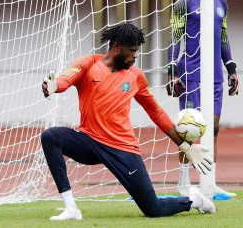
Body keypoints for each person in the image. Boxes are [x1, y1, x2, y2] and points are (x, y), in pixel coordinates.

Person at [41, 23, 215, 221]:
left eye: (136, 52)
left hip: (122, 149)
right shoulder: (88, 63)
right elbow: (66, 79)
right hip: (89, 141)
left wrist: (185, 146)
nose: (135, 56)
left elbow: (156, 112)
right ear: (116, 47)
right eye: (132, 51)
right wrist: (54, 86)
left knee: (153, 210)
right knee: (51, 136)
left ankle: (196, 201)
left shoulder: (136, 76)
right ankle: (71, 208)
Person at [167, 0, 239, 198]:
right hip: (190, 72)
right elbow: (174, 37)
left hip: (215, 75)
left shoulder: (222, 3)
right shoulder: (183, 2)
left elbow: (224, 37)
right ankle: (184, 180)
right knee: (188, 128)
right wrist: (172, 68)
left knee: (214, 128)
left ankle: (210, 181)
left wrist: (231, 67)